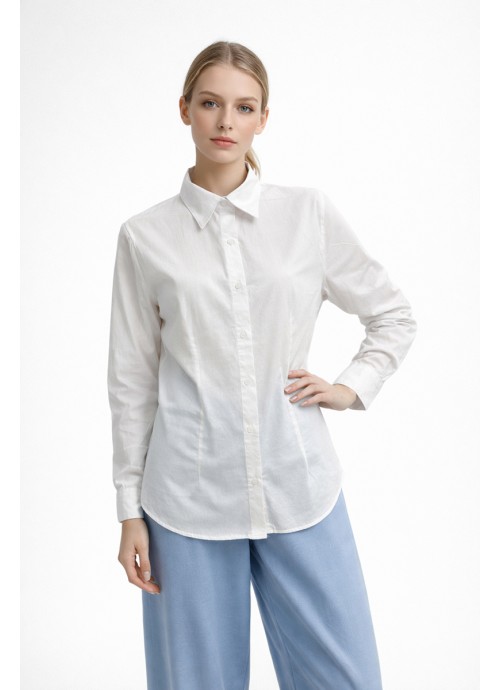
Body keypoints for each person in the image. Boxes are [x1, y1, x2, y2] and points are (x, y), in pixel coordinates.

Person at [107, 40, 417, 690]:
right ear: (185, 110)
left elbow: (392, 314)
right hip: (186, 500)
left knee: (347, 679)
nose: (226, 121)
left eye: (244, 107)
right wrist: (129, 509)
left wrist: (350, 387)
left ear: (263, 119)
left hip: (299, 484)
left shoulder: (306, 213)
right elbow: (132, 381)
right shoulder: (145, 237)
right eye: (211, 103)